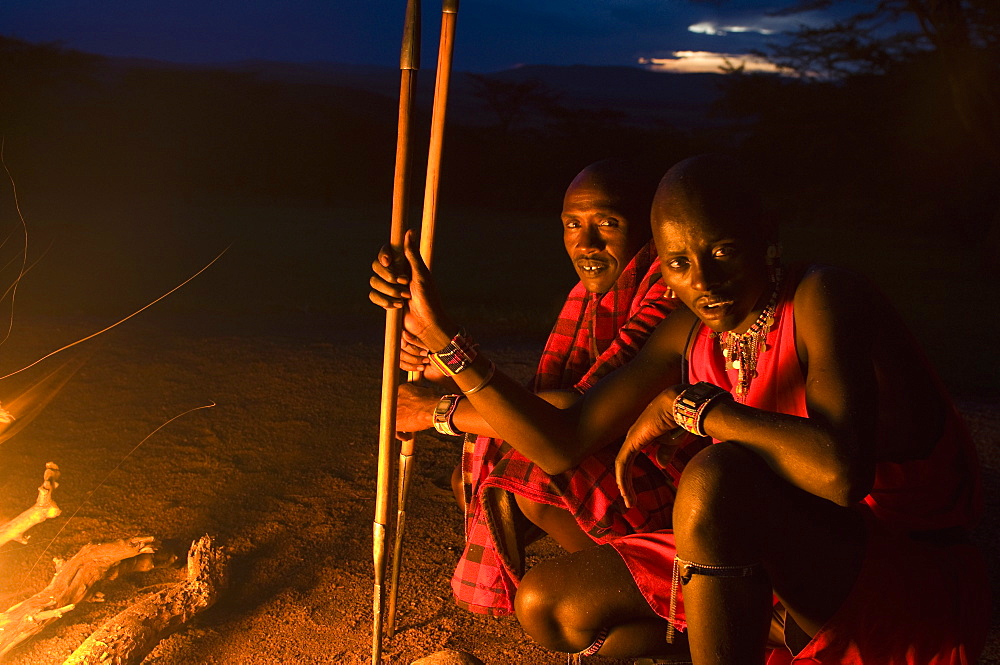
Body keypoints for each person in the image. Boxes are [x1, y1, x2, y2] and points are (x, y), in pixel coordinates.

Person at [370, 153, 989, 663]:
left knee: (717, 475)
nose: (704, 282)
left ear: (766, 238)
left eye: (722, 252)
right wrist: (443, 338)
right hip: (771, 559)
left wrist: (699, 411)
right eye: (679, 264)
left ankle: (751, 630)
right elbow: (563, 436)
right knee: (548, 603)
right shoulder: (686, 328)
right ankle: (746, 628)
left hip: (894, 568)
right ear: (660, 265)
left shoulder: (825, 296)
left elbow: (841, 475)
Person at [384, 159, 687, 616]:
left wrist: (438, 408)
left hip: (681, 489)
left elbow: (566, 422)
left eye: (608, 223)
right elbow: (537, 401)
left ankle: (646, 601)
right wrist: (435, 349)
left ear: (649, 228)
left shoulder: (669, 294)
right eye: (572, 224)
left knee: (535, 475)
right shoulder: (591, 297)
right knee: (479, 470)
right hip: (615, 452)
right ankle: (605, 591)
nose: (586, 243)